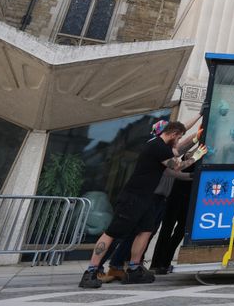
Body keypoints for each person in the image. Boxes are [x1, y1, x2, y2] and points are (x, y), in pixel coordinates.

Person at [78, 122, 207, 289]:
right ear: (174, 134)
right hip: (133, 197)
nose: (179, 141)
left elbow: (177, 151)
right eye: (179, 137)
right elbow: (176, 166)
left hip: (147, 197)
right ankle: (91, 271)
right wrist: (197, 155)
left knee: (145, 232)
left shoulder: (162, 147)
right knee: (112, 232)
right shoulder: (156, 146)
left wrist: (196, 136)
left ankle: (133, 268)